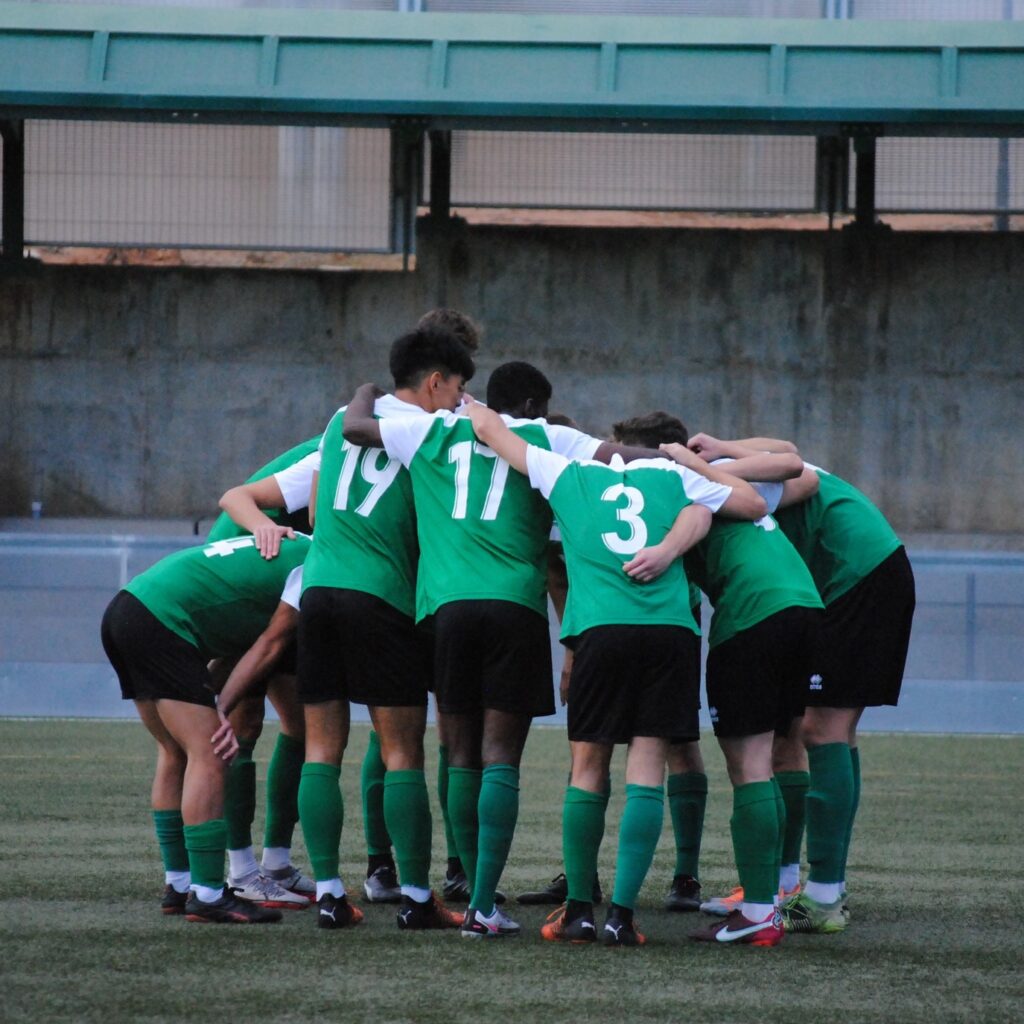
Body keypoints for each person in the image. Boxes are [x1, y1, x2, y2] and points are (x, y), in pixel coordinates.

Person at [342, 361, 664, 939]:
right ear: (536, 406)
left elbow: (358, 428)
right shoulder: (550, 437)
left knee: (459, 754)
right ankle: (485, 904)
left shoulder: (432, 429)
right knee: (500, 758)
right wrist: (685, 457)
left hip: (445, 607)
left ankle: (463, 891)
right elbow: (625, 457)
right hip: (514, 605)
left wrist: (367, 389)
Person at [462, 400, 767, 946]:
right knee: (648, 765)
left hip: (601, 631)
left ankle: (579, 910)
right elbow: (748, 501)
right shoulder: (679, 476)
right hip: (669, 631)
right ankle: (623, 917)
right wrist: (691, 475)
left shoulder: (569, 472)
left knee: (587, 767)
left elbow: (490, 429)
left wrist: (466, 402)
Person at [689, 433, 915, 934]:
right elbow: (790, 452)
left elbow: (803, 475)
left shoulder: (722, 479)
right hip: (849, 579)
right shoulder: (730, 467)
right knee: (809, 734)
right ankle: (792, 884)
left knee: (821, 732)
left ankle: (823, 895)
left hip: (854, 576)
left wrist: (710, 460)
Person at [296, 325, 475, 930]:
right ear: (433, 383)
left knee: (322, 748)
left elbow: (319, 509)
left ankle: (327, 892)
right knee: (402, 751)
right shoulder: (430, 429)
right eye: (455, 388)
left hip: (318, 590)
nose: (457, 400)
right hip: (381, 599)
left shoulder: (338, 419)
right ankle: (420, 900)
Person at [627, 418, 823, 946]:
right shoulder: (723, 480)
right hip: (804, 606)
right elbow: (795, 468)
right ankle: (778, 890)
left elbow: (788, 470)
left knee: (750, 765)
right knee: (782, 749)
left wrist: (691, 463)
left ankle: (758, 913)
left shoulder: (681, 484)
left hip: (752, 616)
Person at [99, 532, 312, 924]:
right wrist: (221, 709)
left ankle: (179, 885)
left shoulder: (294, 549)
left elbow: (240, 645)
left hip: (127, 608)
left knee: (175, 751)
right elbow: (269, 644)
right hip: (160, 619)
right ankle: (209, 894)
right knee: (210, 753)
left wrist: (215, 700)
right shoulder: (317, 561)